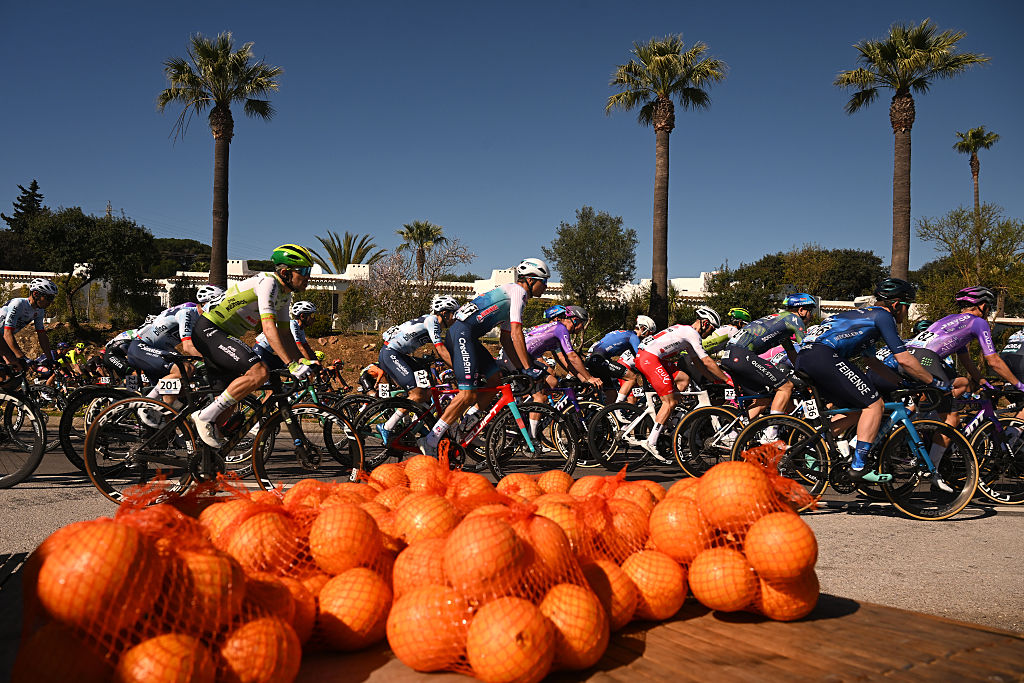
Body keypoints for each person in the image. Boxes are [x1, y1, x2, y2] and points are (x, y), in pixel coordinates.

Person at [794, 278, 938, 483]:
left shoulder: (863, 317)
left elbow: (872, 362)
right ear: (897, 305)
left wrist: (901, 383)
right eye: (907, 306)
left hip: (807, 357)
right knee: (874, 404)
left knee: (856, 408)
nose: (906, 313)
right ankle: (859, 465)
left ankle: (812, 447)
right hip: (823, 355)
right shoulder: (883, 316)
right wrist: (934, 382)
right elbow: (904, 358)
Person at [417, 258, 550, 457]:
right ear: (530, 280)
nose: (546, 286)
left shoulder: (515, 295)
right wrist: (528, 367)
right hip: (462, 334)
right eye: (543, 281)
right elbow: (516, 333)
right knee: (467, 394)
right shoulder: (518, 292)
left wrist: (521, 368)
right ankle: (430, 440)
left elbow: (506, 339)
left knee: (495, 380)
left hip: (468, 336)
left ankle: (468, 420)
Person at [188, 245, 315, 447]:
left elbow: (284, 333)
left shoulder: (285, 294)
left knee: (226, 407)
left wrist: (302, 361)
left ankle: (200, 456)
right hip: (209, 330)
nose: (309, 277)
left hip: (222, 335)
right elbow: (268, 328)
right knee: (259, 372)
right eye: (305, 271)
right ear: (285, 272)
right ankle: (202, 416)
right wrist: (291, 364)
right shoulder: (269, 283)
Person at [634, 306, 732, 463]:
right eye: (712, 329)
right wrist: (727, 380)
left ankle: (666, 413)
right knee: (670, 401)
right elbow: (706, 361)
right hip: (649, 358)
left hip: (653, 357)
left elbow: (697, 363)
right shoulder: (692, 334)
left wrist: (714, 380)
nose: (711, 334)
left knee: (684, 379)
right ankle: (651, 441)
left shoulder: (686, 332)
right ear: (705, 323)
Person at [129, 285, 225, 426]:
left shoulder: (200, 320)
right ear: (207, 303)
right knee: (185, 369)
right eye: (218, 306)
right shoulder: (188, 312)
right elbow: (188, 347)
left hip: (159, 349)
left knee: (181, 388)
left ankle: (167, 431)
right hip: (141, 347)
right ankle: (147, 405)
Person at [376, 296, 461, 442]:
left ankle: (417, 424)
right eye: (454, 314)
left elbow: (447, 348)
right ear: (445, 313)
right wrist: (460, 370)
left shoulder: (433, 323)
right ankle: (387, 427)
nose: (455, 318)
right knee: (416, 393)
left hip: (399, 354)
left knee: (427, 391)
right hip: (391, 353)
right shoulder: (433, 321)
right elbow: (440, 349)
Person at [721, 294, 816, 420]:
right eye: (810, 311)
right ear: (801, 310)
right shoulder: (795, 320)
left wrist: (804, 371)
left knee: (764, 400)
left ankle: (735, 432)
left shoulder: (782, 323)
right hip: (742, 355)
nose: (811, 316)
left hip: (731, 356)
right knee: (785, 387)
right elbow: (806, 349)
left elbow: (792, 354)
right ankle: (772, 434)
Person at [585, 315, 655, 402]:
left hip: (593, 358)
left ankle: (605, 414)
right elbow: (641, 357)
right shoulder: (633, 337)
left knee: (612, 394)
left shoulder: (624, 333)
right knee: (632, 378)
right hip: (599, 359)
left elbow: (636, 358)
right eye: (649, 333)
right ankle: (618, 407)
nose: (648, 336)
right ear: (643, 328)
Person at [0, 278, 58, 376]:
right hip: (2, 337)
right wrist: (23, 357)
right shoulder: (18, 304)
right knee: (13, 363)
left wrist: (50, 359)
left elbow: (42, 335)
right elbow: (7, 334)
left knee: (15, 372)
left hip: (1, 339)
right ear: (36, 294)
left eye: (52, 298)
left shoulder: (39, 311)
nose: (50, 302)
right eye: (48, 298)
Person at [252, 300, 319, 370]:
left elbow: (306, 348)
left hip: (270, 354)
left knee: (281, 377)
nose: (314, 318)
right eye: (312, 315)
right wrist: (310, 366)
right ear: (302, 316)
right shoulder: (291, 324)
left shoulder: (300, 329)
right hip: (260, 351)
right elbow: (300, 348)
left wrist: (317, 364)